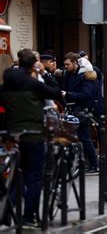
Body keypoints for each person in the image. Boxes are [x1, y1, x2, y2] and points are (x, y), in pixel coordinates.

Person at [1, 48, 62, 228]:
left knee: (13, 175)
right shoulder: (33, 84)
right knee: (33, 177)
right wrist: (43, 73)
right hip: (34, 135)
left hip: (13, 136)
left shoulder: (6, 86)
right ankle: (29, 217)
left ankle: (7, 211)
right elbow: (56, 93)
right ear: (31, 66)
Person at [61, 52, 99, 173]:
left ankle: (94, 164)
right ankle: (78, 164)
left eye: (67, 64)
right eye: (64, 64)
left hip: (82, 112)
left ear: (75, 63)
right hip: (72, 111)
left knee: (84, 138)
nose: (65, 66)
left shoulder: (85, 76)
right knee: (72, 139)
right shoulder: (68, 74)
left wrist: (68, 94)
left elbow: (86, 95)